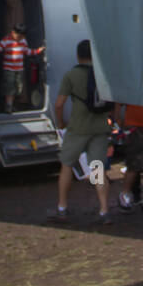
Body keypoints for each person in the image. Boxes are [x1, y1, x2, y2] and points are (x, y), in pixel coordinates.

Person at [49, 40, 113, 224]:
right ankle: (104, 210)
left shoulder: (71, 75)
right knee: (98, 168)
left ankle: (62, 207)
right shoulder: (102, 75)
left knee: (67, 165)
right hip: (100, 127)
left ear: (78, 55)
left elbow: (59, 104)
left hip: (77, 127)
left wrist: (61, 123)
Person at [0, 25, 44, 114]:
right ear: (13, 33)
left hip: (19, 69)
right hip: (9, 69)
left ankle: (10, 104)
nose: (20, 38)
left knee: (18, 89)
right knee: (9, 88)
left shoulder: (23, 41)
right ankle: (8, 107)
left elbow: (27, 51)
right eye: (18, 36)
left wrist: (38, 50)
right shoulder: (6, 40)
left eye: (22, 37)